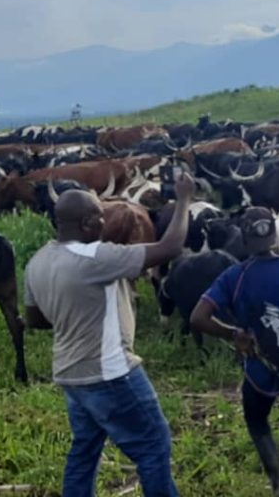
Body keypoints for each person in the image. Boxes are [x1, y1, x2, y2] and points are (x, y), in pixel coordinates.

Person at [24, 174, 195, 497]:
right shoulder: (97, 257)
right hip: (112, 373)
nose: (104, 222)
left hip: (70, 375)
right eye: (100, 217)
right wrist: (184, 200)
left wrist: (72, 313)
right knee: (153, 446)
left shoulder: (37, 262)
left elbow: (36, 320)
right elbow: (170, 247)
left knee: (84, 451)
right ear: (88, 223)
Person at [191, 207, 279, 497]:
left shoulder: (235, 276)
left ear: (245, 239)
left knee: (257, 420)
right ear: (274, 236)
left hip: (259, 368)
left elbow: (198, 318)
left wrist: (233, 333)